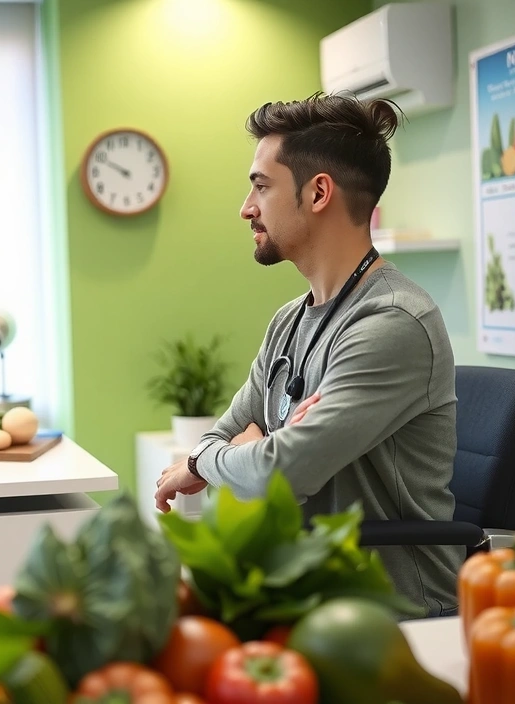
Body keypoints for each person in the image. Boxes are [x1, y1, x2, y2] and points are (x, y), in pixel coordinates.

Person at [154, 94, 464, 618]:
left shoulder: (393, 322)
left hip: (392, 615)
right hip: (306, 591)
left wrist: (214, 460)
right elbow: (229, 436)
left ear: (319, 192)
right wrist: (258, 452)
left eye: (260, 185)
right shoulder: (288, 322)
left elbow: (276, 473)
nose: (246, 207)